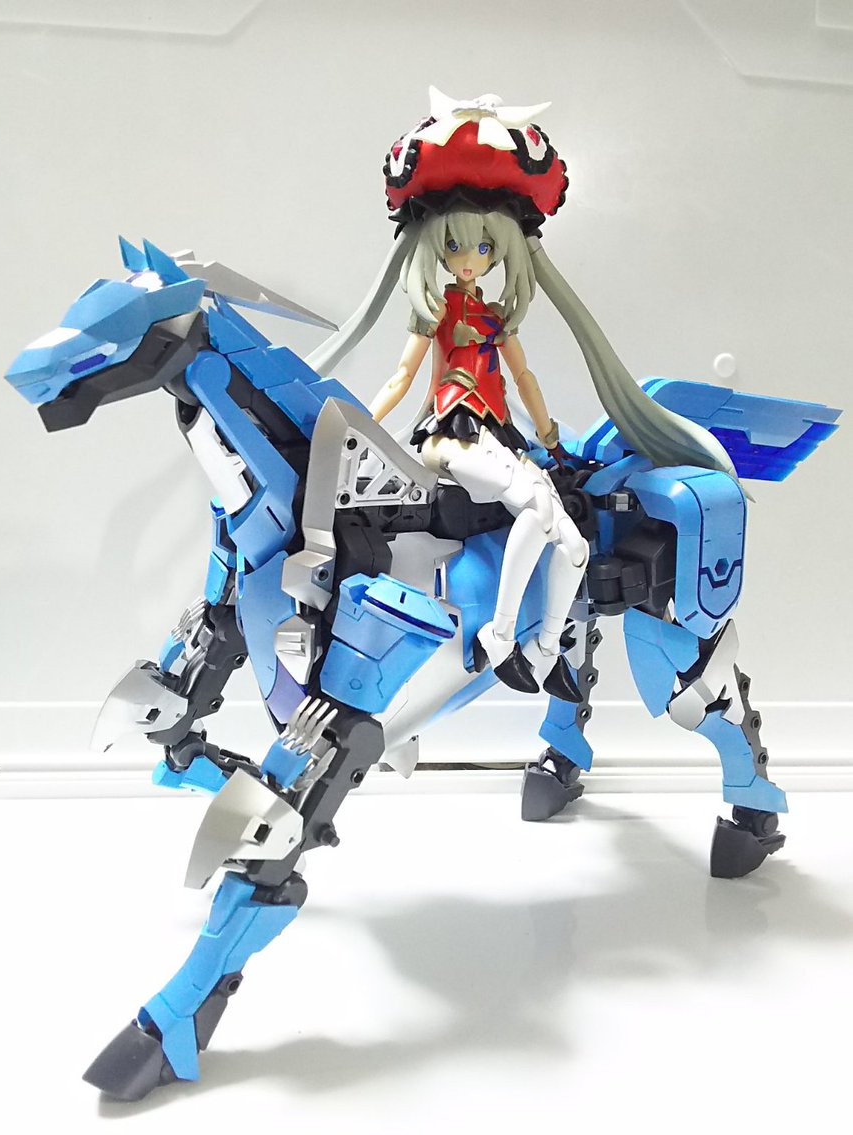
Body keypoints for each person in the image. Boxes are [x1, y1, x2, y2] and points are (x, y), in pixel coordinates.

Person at [308, 88, 739, 694]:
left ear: (501, 254)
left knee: (573, 545)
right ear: (434, 248)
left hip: (497, 435)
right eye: (455, 246)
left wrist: (551, 438)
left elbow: (525, 377)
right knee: (536, 511)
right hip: (451, 435)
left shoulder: (494, 320)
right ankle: (501, 635)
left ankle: (543, 649)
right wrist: (355, 435)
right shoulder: (436, 314)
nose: (468, 259)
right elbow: (402, 378)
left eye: (484, 248)